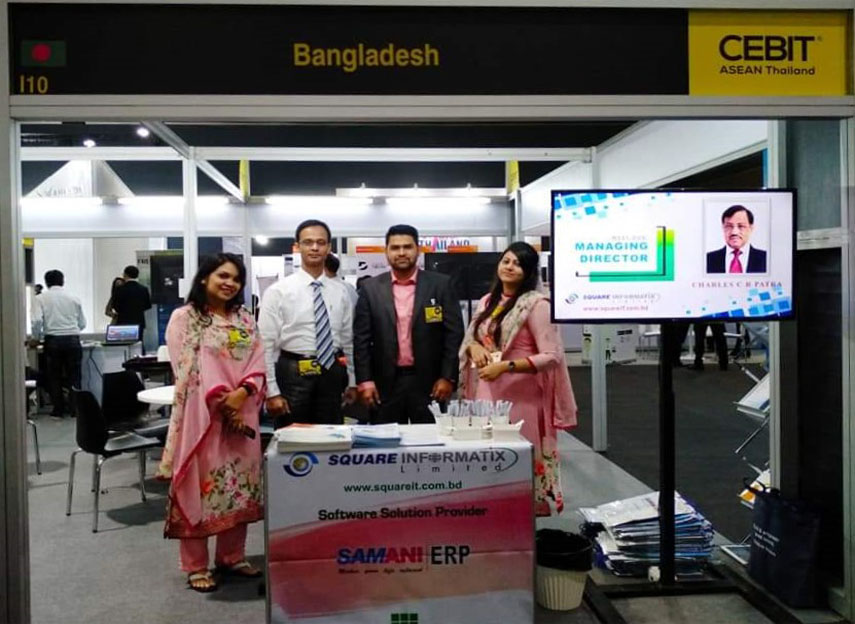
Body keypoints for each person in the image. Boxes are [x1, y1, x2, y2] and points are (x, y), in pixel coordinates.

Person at [158, 253, 265, 593]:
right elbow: (186, 368)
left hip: (243, 411)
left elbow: (258, 358)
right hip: (202, 417)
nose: (229, 283)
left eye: (235, 278)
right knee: (200, 485)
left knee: (238, 485)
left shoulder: (244, 318)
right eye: (222, 275)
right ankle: (195, 565)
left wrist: (243, 392)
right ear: (205, 277)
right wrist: (221, 399)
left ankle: (231, 557)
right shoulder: (186, 318)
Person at [458, 242, 577, 516]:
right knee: (488, 456)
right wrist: (474, 347)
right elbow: (472, 337)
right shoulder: (488, 301)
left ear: (529, 272)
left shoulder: (537, 306)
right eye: (506, 261)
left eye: (518, 264)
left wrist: (507, 366)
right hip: (486, 391)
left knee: (517, 457)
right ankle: (492, 514)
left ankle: (521, 521)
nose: (510, 267)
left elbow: (552, 356)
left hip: (521, 396)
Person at [353, 224, 464, 424]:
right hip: (384, 383)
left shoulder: (440, 285)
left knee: (430, 439)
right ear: (386, 251)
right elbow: (361, 340)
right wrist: (365, 381)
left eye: (407, 247)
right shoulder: (370, 289)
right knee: (385, 441)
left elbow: (454, 335)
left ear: (418, 250)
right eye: (395, 248)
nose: (402, 252)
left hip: (431, 382)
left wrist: (448, 377)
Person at [258, 219, 355, 428]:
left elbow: (349, 341)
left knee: (332, 436)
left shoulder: (341, 291)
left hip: (331, 372)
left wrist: (353, 381)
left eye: (321, 242)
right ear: (297, 246)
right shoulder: (278, 291)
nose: (314, 247)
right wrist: (272, 391)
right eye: (308, 242)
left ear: (328, 247)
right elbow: (265, 345)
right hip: (292, 373)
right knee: (292, 438)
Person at [31, 270, 86, 418]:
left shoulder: (40, 298)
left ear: (47, 282)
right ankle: (75, 409)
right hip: (73, 340)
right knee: (74, 376)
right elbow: (82, 323)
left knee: (54, 376)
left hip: (53, 341)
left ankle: (58, 409)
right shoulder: (74, 298)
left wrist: (36, 337)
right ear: (62, 281)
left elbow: (36, 320)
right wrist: (71, 330)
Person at [706, 205, 767, 274]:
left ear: (751, 228)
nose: (734, 232)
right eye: (729, 226)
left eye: (741, 226)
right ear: (723, 228)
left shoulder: (766, 259)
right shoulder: (708, 259)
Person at [111, 265, 152, 331]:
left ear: (125, 274)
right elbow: (148, 305)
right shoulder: (143, 289)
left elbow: (115, 306)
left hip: (123, 322)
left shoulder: (120, 289)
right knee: (138, 338)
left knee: (124, 338)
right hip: (139, 322)